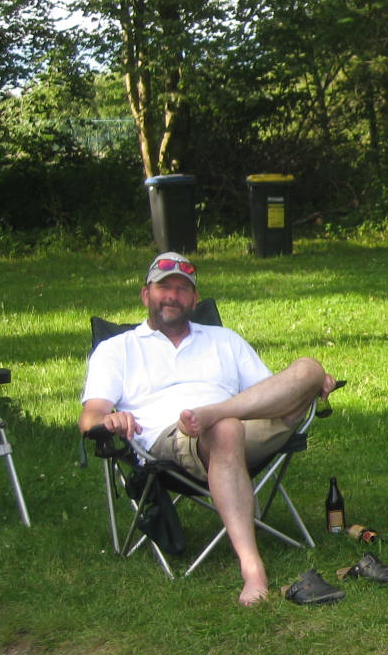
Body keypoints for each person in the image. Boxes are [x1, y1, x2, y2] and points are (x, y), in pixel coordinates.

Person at [79, 253, 339, 606]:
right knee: (226, 430)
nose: (173, 296)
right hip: (170, 442)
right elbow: (90, 417)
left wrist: (308, 385)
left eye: (182, 289)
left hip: (239, 427)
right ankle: (253, 570)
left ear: (195, 299)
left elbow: (268, 393)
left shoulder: (223, 339)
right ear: (145, 295)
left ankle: (215, 412)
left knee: (309, 368)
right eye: (164, 287)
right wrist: (108, 420)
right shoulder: (117, 349)